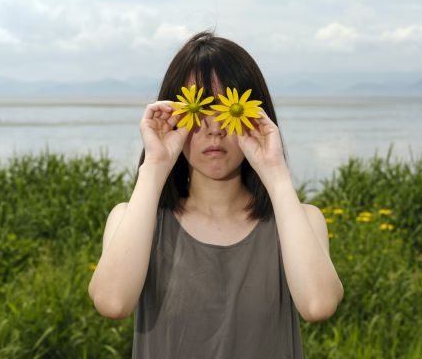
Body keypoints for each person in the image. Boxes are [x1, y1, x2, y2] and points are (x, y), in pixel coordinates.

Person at [88, 30, 344, 358]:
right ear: (172, 116)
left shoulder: (301, 221)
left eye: (229, 108)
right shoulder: (131, 220)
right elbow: (112, 301)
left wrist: (276, 174)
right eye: (199, 108)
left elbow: (318, 304)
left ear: (256, 117)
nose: (214, 127)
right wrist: (154, 165)